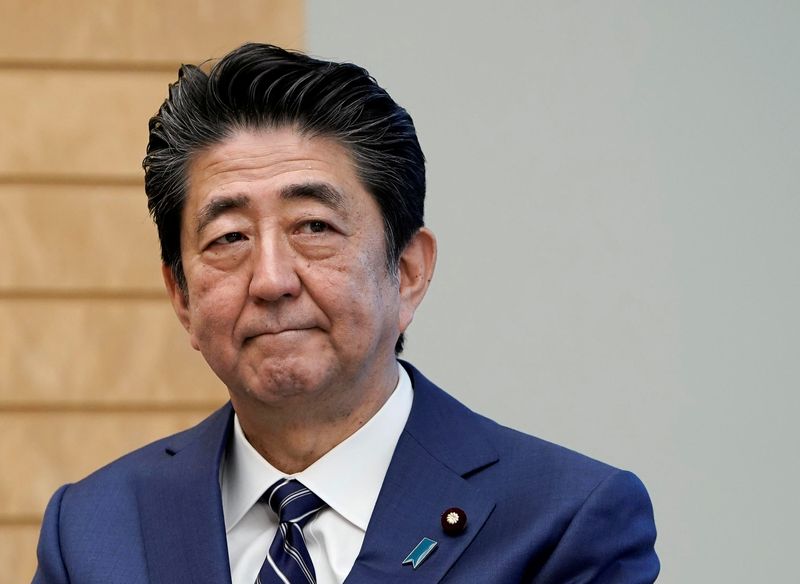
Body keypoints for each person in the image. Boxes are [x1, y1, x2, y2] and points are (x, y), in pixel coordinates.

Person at [33, 43, 659, 583]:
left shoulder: (563, 522)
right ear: (182, 297)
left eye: (313, 226)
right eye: (229, 238)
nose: (272, 280)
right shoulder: (93, 529)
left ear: (408, 272)